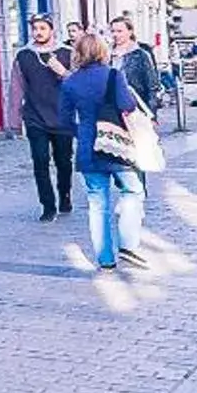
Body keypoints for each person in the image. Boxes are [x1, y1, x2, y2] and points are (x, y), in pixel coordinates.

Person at [59, 31, 148, 269]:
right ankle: (128, 244)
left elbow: (64, 119)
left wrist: (83, 133)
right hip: (116, 144)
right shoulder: (113, 75)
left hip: (88, 147)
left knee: (98, 204)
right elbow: (127, 105)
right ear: (102, 51)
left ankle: (105, 259)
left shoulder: (70, 82)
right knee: (133, 190)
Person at [9, 15, 76, 220]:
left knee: (64, 161)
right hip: (35, 117)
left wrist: (63, 72)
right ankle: (47, 206)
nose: (38, 32)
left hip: (62, 116)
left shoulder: (68, 53)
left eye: (43, 28)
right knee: (40, 160)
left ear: (51, 30)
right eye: (35, 28)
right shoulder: (24, 56)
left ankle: (64, 195)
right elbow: (16, 88)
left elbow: (79, 83)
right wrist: (14, 120)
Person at [110, 18, 163, 126]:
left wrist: (151, 114)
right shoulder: (106, 54)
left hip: (136, 108)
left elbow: (152, 86)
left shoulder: (140, 55)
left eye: (119, 31)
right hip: (111, 110)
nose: (115, 35)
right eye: (113, 31)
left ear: (130, 32)